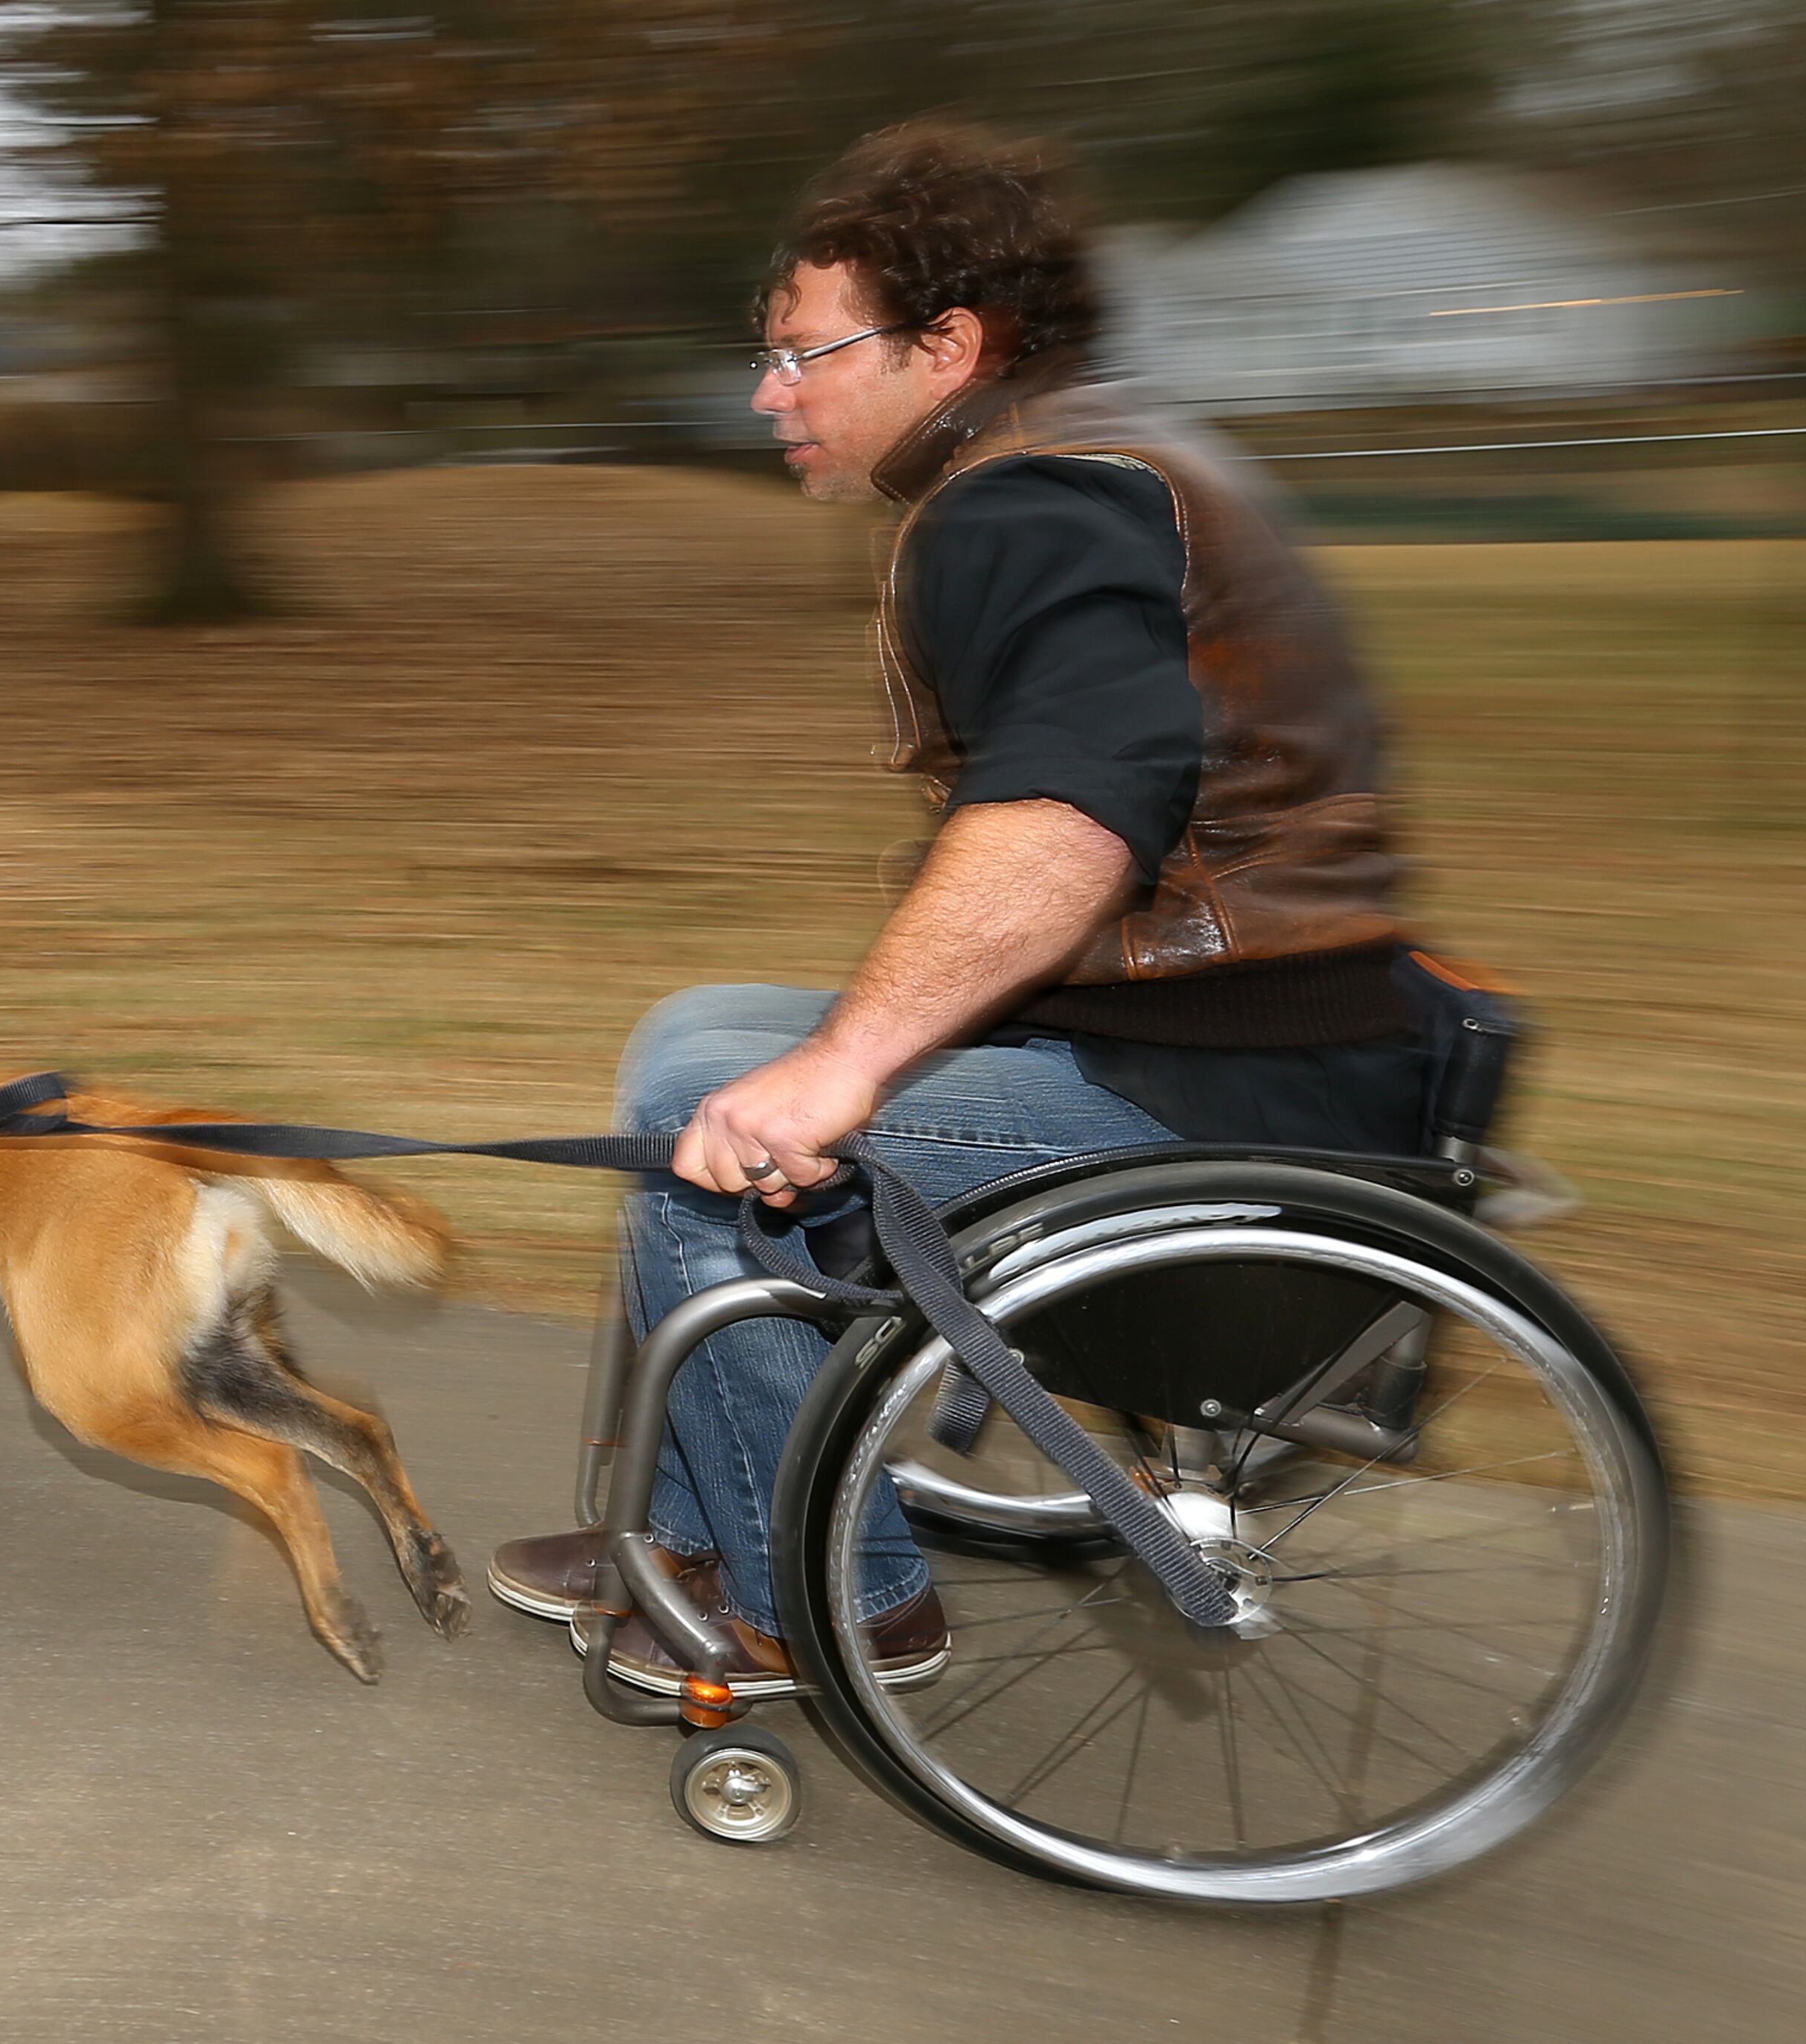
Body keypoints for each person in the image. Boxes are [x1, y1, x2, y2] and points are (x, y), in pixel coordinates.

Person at [489, 120, 1432, 1698]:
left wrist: (842, 1068)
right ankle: (705, 1529)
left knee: (702, 1122)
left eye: (805, 353)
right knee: (699, 1033)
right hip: (1259, 1032)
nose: (767, 392)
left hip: (1217, 1085)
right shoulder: (1084, 450)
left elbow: (1075, 814)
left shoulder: (1032, 497)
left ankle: (833, 1599)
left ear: (949, 345)